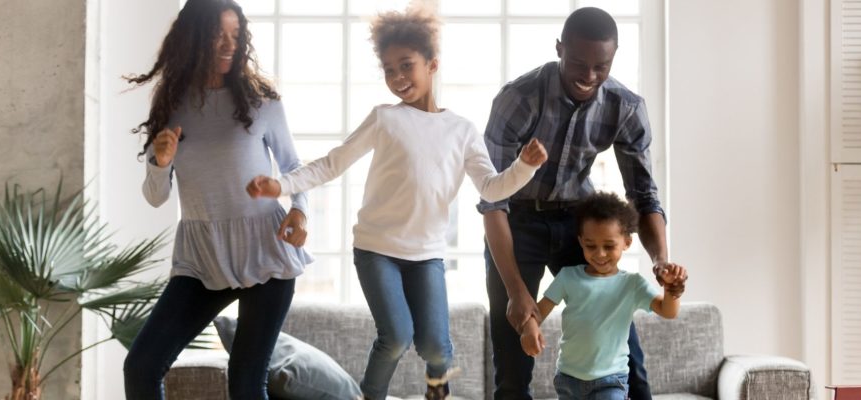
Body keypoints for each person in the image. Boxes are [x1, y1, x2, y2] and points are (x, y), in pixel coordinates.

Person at [245, 5, 548, 399]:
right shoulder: (384, 118)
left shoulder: (462, 131)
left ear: (432, 64)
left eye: (406, 66)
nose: (398, 78)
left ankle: (438, 391)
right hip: (376, 250)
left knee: (436, 347)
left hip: (426, 255)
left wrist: (524, 167)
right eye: (389, 70)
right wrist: (280, 186)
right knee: (397, 336)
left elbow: (491, 189)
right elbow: (332, 163)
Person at [478, 7, 688, 400]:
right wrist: (516, 291)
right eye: (577, 62)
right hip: (516, 222)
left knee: (623, 350)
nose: (588, 76)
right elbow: (493, 201)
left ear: (614, 57)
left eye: (601, 66)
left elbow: (643, 194)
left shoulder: (625, 107)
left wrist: (659, 260)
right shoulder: (518, 99)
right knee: (512, 355)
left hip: (579, 223)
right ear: (559, 48)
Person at [121, 1, 312, 399]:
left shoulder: (262, 100)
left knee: (246, 383)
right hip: (202, 255)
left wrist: (299, 210)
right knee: (141, 366)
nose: (229, 45)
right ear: (193, 38)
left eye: (235, 36)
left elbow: (294, 165)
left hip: (265, 251)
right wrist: (160, 162)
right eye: (217, 35)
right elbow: (156, 198)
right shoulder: (172, 103)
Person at [518, 192, 686, 400]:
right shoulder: (568, 277)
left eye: (609, 246)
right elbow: (539, 311)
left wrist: (672, 289)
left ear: (626, 242)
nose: (600, 254)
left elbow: (668, 311)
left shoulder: (631, 284)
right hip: (568, 379)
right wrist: (530, 327)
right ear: (580, 241)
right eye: (591, 246)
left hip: (611, 380)